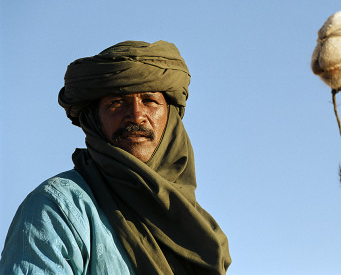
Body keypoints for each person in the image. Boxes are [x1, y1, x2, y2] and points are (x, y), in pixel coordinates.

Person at [0, 40, 232, 274]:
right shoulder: (59, 208)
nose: (136, 115)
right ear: (95, 120)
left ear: (170, 117)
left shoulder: (197, 228)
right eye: (117, 102)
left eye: (149, 101)